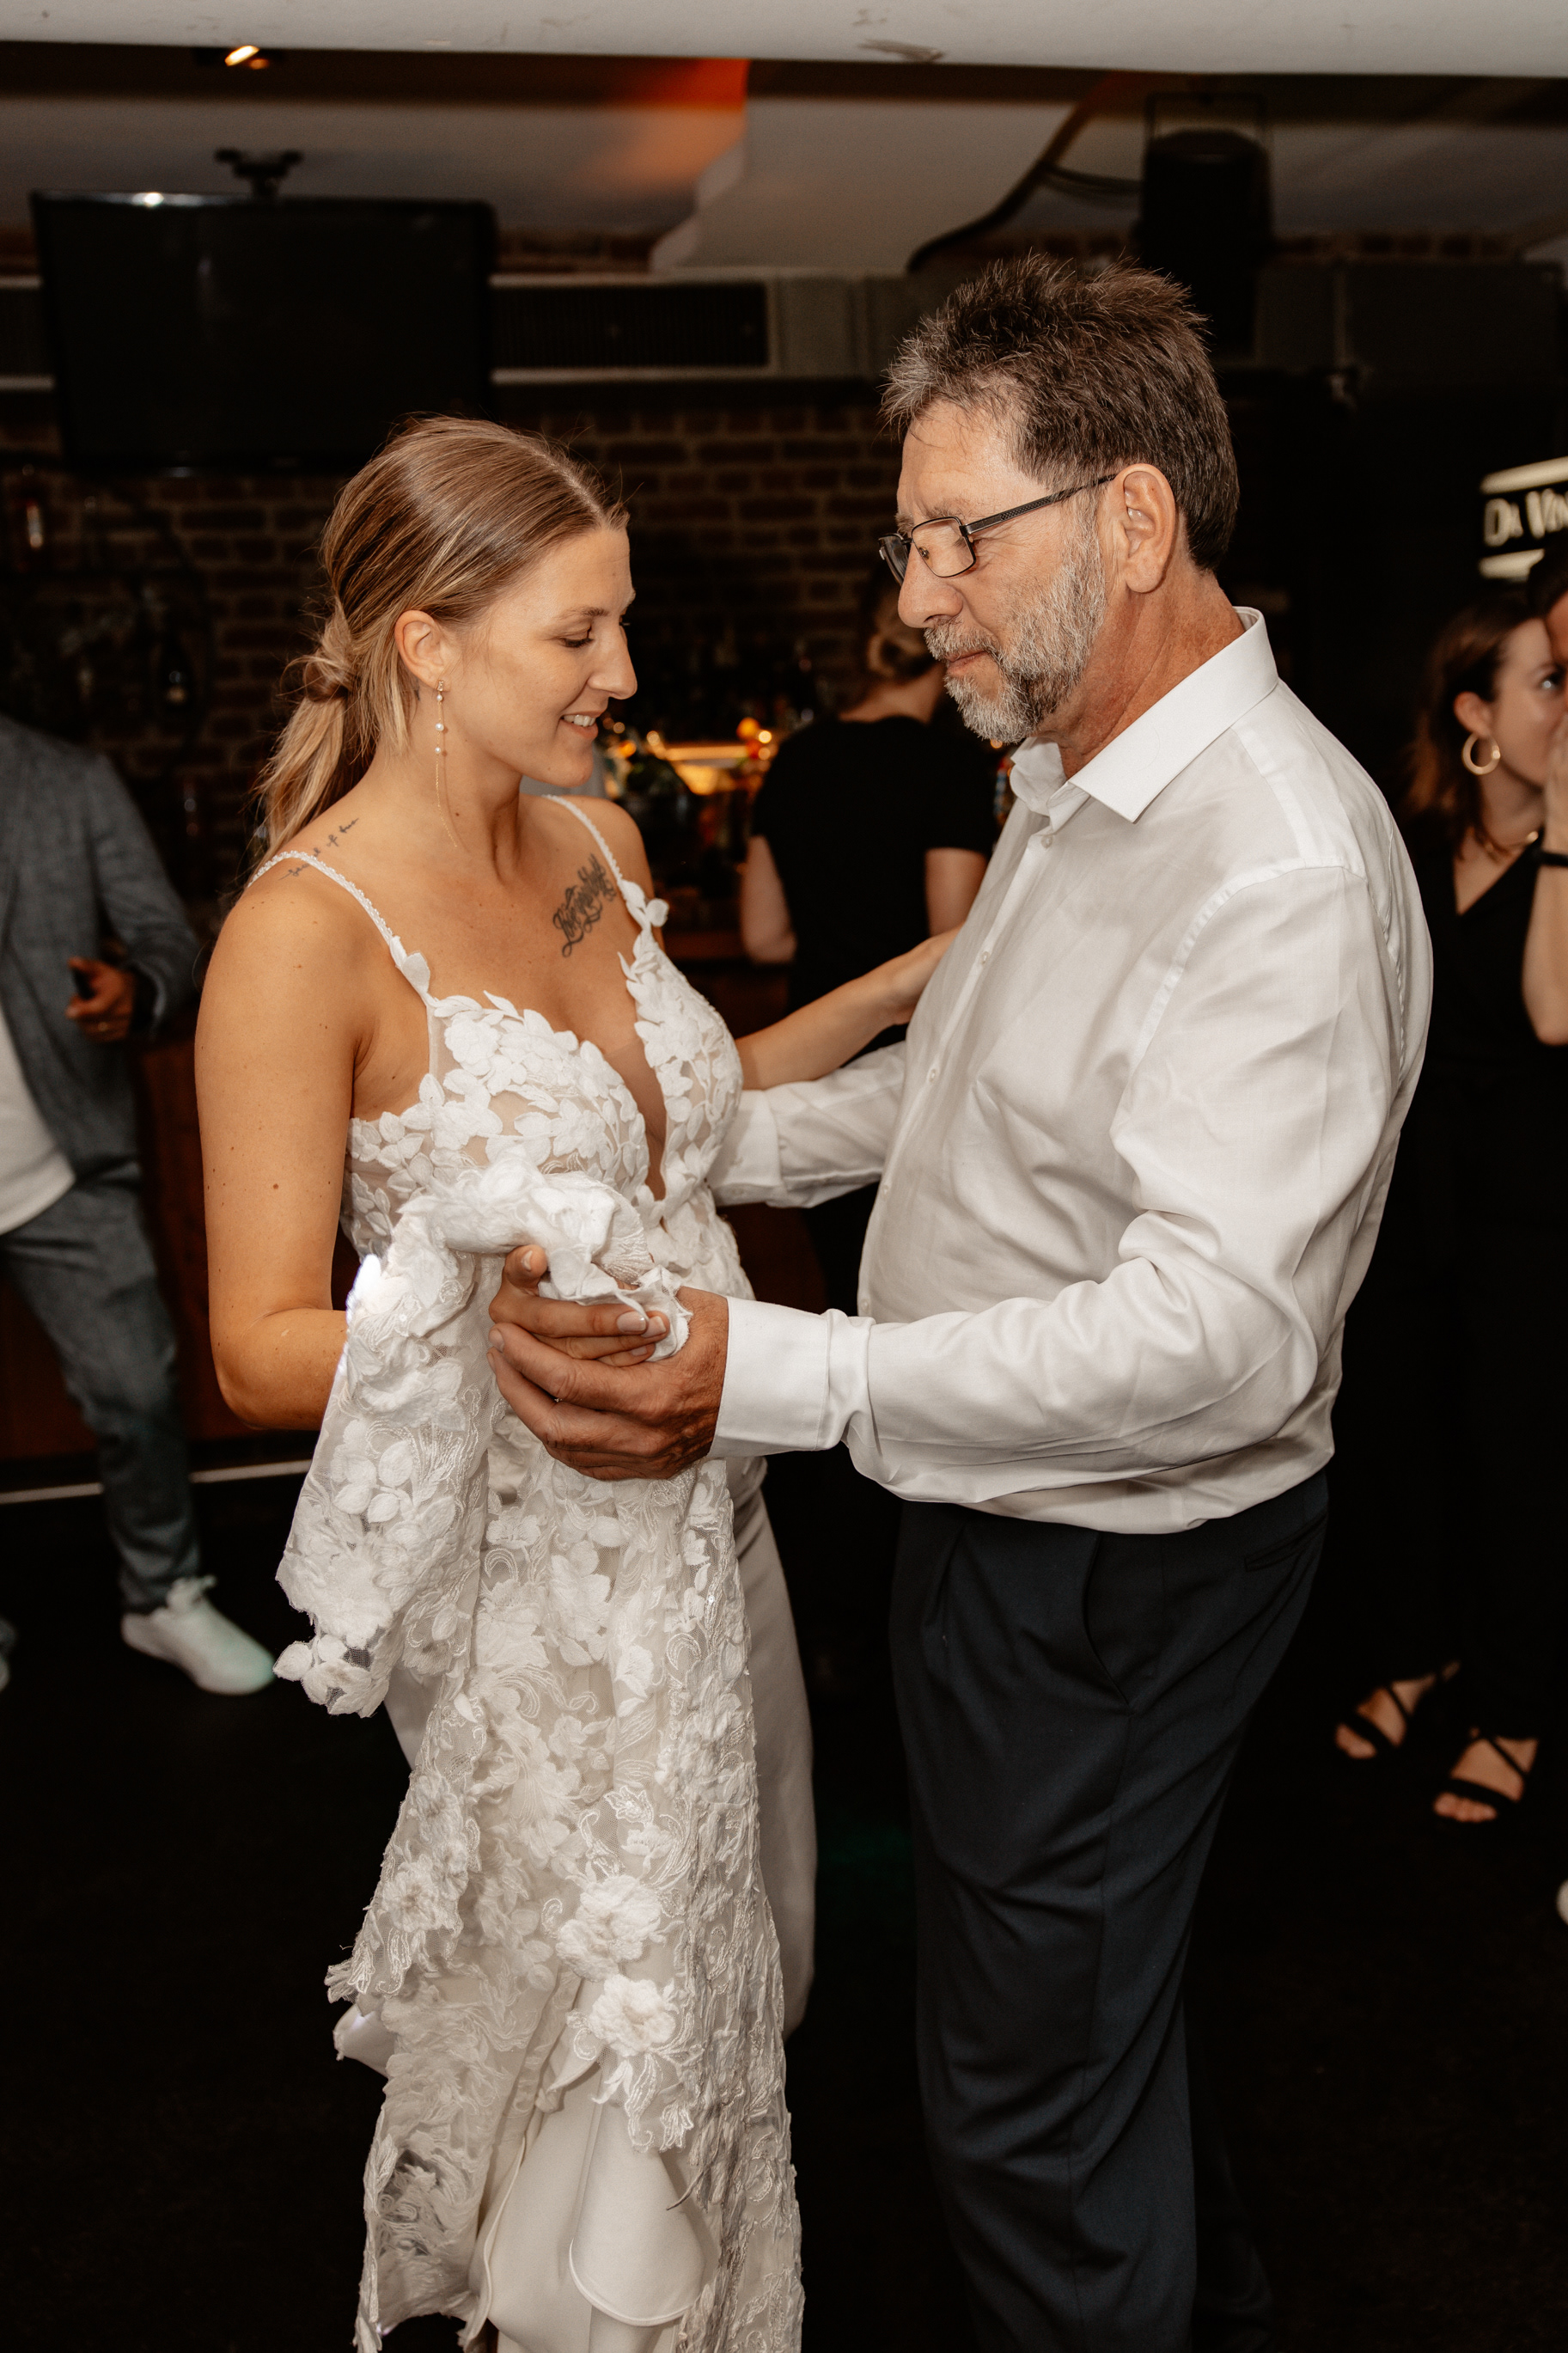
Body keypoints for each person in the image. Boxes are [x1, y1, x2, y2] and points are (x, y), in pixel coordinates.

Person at [485, 257, 1432, 2353]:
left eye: (950, 540)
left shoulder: (1267, 861)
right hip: (994, 1511)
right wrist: (717, 1155)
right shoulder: (1064, 779)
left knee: (1016, 2117)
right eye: (906, 542)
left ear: (1127, 523)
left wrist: (770, 1370)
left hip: (1106, 1564)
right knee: (1094, 2024)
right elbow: (978, 1102)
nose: (915, 597)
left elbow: (1218, 1340)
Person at [196, 416, 952, 2353]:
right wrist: (465, 1297)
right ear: (424, 641)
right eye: (580, 635)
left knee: (736, 1963)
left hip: (717, 1505)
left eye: (621, 627)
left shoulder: (599, 843)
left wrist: (912, 986)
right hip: (534, 1581)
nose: (626, 678)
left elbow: (670, 1118)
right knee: (603, 2014)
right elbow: (259, 1340)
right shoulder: (305, 933)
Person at [1331, 596, 1568, 1819]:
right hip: (1411, 1197)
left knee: (1517, 1457)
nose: (1565, 708)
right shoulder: (1411, 845)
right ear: (1475, 712)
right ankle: (1420, 1649)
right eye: (1548, 684)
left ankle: (1518, 1702)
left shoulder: (1565, 863)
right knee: (1401, 1433)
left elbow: (1552, 1016)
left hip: (1535, 1212)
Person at [0, 712, 272, 1696]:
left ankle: (164, 1595)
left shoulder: (68, 780)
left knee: (136, 1387)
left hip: (58, 1157)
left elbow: (168, 938)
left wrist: (137, 988)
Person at [740, 569, 994, 1311]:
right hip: (907, 1071)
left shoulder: (795, 760)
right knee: (910, 1305)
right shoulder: (949, 767)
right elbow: (950, 942)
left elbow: (762, 936)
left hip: (806, 1051)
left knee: (836, 1299)